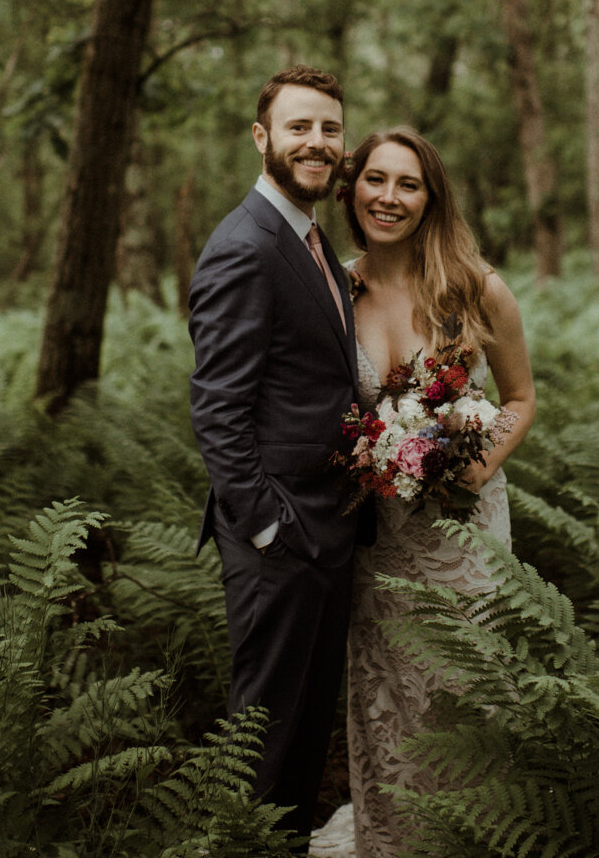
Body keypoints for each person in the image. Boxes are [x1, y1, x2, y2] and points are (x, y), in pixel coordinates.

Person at [329, 126, 537, 857]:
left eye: (408, 183)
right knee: (390, 699)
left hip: (464, 532)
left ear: (431, 196)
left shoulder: (476, 287)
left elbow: (520, 398)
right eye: (376, 179)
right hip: (378, 534)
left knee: (461, 691)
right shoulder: (335, 287)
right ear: (352, 190)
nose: (390, 196)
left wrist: (481, 462)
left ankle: (476, 837)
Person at [186, 65, 368, 847]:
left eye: (329, 128)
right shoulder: (245, 246)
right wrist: (267, 526)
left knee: (301, 741)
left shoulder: (312, 238)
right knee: (259, 741)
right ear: (262, 138)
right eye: (299, 127)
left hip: (329, 530)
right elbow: (217, 405)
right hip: (280, 539)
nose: (317, 143)